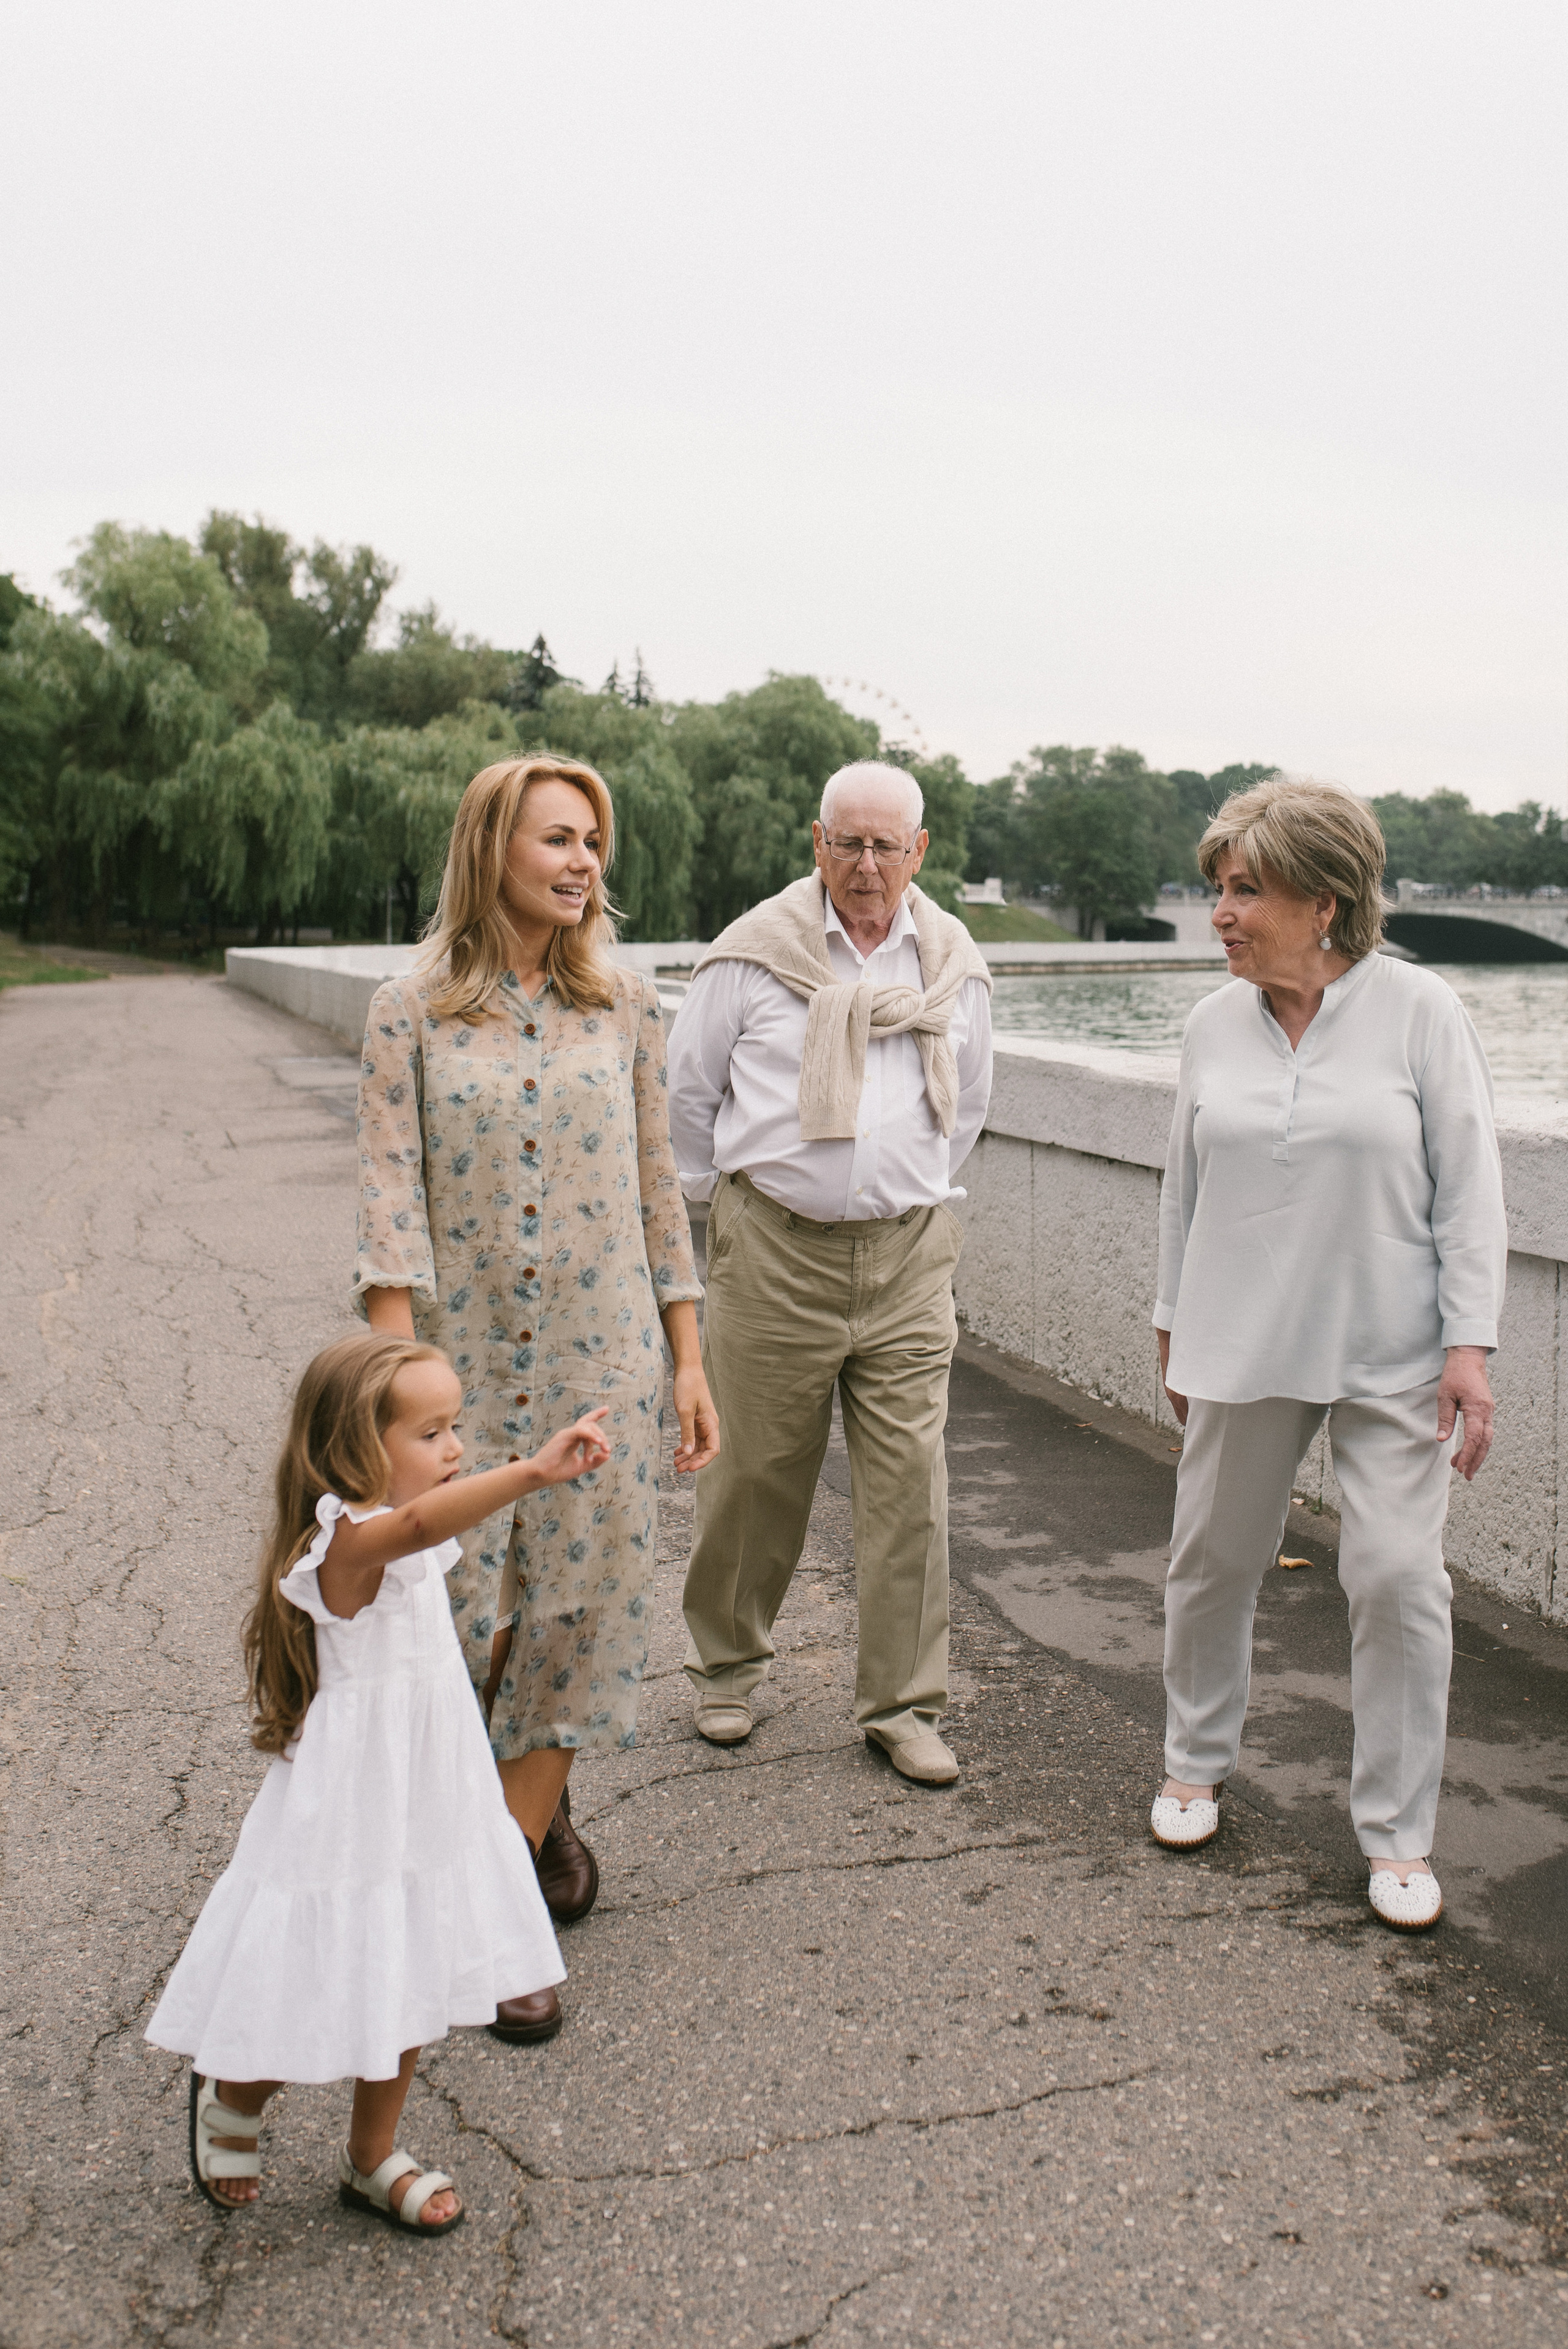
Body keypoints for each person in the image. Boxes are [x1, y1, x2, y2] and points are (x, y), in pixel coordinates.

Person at [355, 755, 718, 2044]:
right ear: (490, 846)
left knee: (573, 1611)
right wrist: (395, 1398)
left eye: (594, 847)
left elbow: (657, 1184)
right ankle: (520, 1811)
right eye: (558, 840)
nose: (582, 865)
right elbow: (390, 1207)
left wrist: (684, 1354)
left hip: (602, 1360)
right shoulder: (409, 1010)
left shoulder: (626, 1004)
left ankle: (497, 1894)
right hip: (462, 1374)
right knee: (460, 1617)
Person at [146, 1330, 612, 2228]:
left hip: (427, 1782)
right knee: (315, 1968)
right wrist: (532, 1471)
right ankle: (234, 2094)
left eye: (457, 1426)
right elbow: (419, 1524)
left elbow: (429, 1528)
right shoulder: (348, 1546)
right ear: (357, 1450)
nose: (456, 1448)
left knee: (411, 1963)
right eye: (431, 1433)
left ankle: (371, 2155)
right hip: (348, 1804)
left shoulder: (409, 1534)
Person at [1150, 778, 1507, 1931]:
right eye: (1220, 889)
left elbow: (1472, 1188)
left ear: (1326, 899)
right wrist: (1172, 1322)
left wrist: (1470, 1343)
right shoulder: (1212, 1024)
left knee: (1400, 1581)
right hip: (1240, 1339)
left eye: (1246, 889)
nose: (1223, 913)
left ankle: (1399, 1836)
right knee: (1213, 1559)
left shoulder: (1418, 1009)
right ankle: (1194, 1763)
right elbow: (1183, 1187)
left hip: (1395, 1348)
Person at [667, 760, 993, 1785]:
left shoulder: (951, 967)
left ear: (919, 853)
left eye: (885, 846)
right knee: (755, 1476)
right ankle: (727, 1668)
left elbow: (969, 1106)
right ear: (817, 843)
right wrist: (722, 1225)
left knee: (911, 1489)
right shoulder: (754, 957)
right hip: (773, 1249)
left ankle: (902, 1704)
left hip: (908, 1256)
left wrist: (894, 1186)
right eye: (846, 843)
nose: (865, 865)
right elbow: (687, 1099)